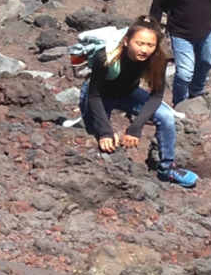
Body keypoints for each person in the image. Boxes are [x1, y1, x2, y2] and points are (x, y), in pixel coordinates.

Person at [79, 16, 198, 188]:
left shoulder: (158, 60)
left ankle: (168, 167)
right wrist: (105, 131)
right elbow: (94, 96)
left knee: (166, 116)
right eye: (139, 43)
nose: (144, 49)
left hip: (128, 93)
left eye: (150, 45)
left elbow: (156, 97)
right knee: (100, 137)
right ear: (127, 41)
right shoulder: (106, 58)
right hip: (99, 96)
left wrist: (136, 126)